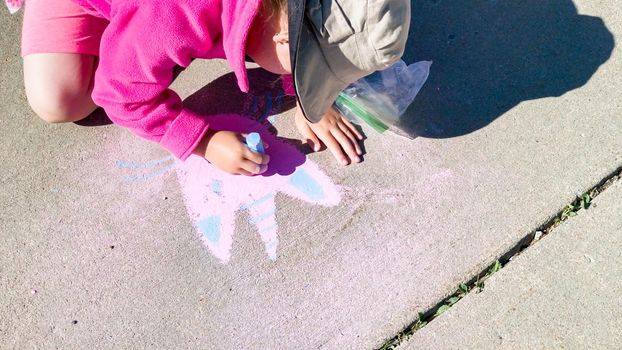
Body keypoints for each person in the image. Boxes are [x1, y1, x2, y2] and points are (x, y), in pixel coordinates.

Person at [20, 0, 410, 175]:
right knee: (59, 100)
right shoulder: (176, 12)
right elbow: (122, 95)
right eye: (314, 76)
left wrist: (313, 94)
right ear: (283, 40)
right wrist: (203, 141)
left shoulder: (277, 24)